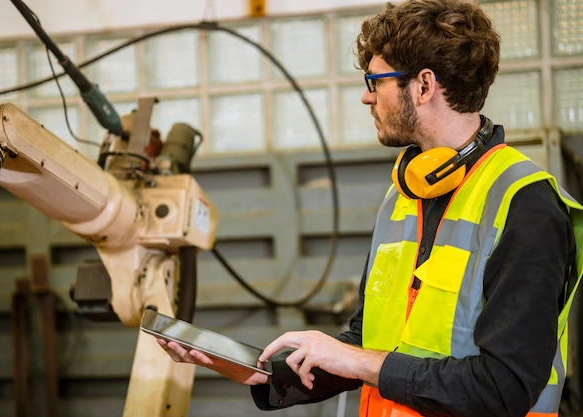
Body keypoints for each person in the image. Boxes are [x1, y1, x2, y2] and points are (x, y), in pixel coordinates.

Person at [158, 0, 583, 416]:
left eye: (375, 82)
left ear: (422, 86)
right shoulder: (404, 195)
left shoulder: (525, 205)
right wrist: (265, 373)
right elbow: (368, 342)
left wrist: (358, 361)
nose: (367, 98)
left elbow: (503, 388)